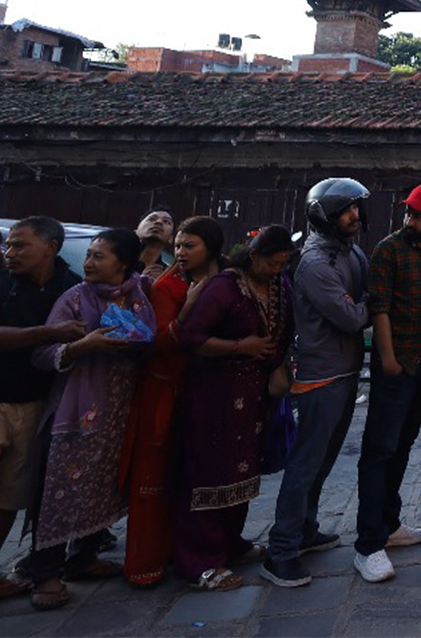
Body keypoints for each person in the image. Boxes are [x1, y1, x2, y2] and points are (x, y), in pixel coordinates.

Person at [25, 228, 155, 611]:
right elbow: (42, 353)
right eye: (91, 255)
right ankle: (46, 571)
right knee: (58, 489)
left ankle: (84, 554)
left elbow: (150, 340)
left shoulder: (138, 297)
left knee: (104, 483)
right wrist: (84, 346)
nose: (90, 262)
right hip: (76, 411)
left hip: (118, 410)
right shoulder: (74, 299)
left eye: (100, 256)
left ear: (124, 264)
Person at [0, 217, 82, 625]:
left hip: (34, 404)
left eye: (20, 246)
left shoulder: (70, 287)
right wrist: (49, 333)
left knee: (5, 501)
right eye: (9, 246)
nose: (10, 254)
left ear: (49, 247)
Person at [263, 178, 371, 589]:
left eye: (356, 208)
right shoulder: (313, 264)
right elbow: (350, 316)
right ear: (324, 214)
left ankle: (305, 529)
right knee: (305, 465)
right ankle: (282, 550)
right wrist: (379, 303)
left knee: (322, 463)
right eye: (346, 210)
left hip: (344, 372)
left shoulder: (350, 252)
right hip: (319, 375)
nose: (354, 216)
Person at [175, 225, 295, 590]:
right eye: (272, 263)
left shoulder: (278, 285)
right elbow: (190, 338)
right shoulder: (225, 287)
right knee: (208, 474)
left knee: (243, 472)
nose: (277, 270)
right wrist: (240, 346)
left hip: (256, 394)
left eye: (282, 265)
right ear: (254, 255)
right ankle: (201, 562)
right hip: (216, 393)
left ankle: (231, 542)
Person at [354, 184, 421, 583]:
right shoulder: (388, 250)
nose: (409, 220)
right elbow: (379, 306)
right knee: (379, 449)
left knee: (403, 445)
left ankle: (389, 523)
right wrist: (388, 358)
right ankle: (367, 544)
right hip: (398, 363)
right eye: (408, 214)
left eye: (417, 214)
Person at [120, 216, 223, 587]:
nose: (180, 253)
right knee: (153, 479)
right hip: (164, 390)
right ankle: (144, 564)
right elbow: (160, 343)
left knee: (187, 478)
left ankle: (182, 551)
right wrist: (188, 307)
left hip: (199, 391)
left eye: (189, 246)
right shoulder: (167, 287)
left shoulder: (219, 280)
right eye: (178, 246)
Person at [136, 211, 175, 282]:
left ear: (171, 238)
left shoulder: (167, 275)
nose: (159, 222)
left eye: (166, 221)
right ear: (136, 230)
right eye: (151, 219)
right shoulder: (117, 260)